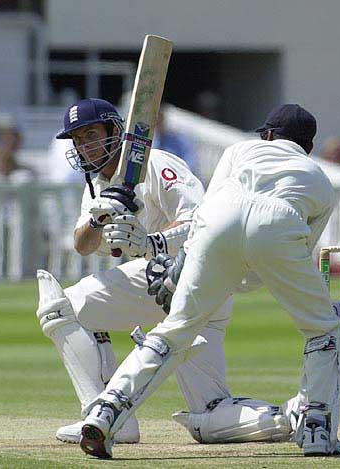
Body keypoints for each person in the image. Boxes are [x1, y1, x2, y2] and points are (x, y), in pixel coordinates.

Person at [78, 104, 340, 458]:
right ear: (308, 147)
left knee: (175, 329)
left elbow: (208, 212)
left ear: (267, 135)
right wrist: (246, 278)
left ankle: (106, 411)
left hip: (219, 221)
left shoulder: (238, 150)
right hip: (280, 225)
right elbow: (298, 247)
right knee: (323, 328)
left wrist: (180, 264)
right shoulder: (319, 179)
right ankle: (315, 430)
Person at [36, 98, 296, 447]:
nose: (84, 146)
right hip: (173, 287)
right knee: (208, 415)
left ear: (115, 131)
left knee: (61, 307)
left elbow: (202, 222)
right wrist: (98, 219)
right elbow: (82, 244)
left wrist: (151, 242)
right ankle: (294, 419)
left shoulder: (157, 164)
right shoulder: (97, 184)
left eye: (91, 135)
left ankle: (104, 415)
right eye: (78, 140)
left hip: (192, 277)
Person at [153, 107, 198, 174]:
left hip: (178, 176)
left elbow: (190, 162)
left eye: (160, 120)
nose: (158, 123)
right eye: (156, 121)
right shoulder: (151, 140)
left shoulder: (180, 141)